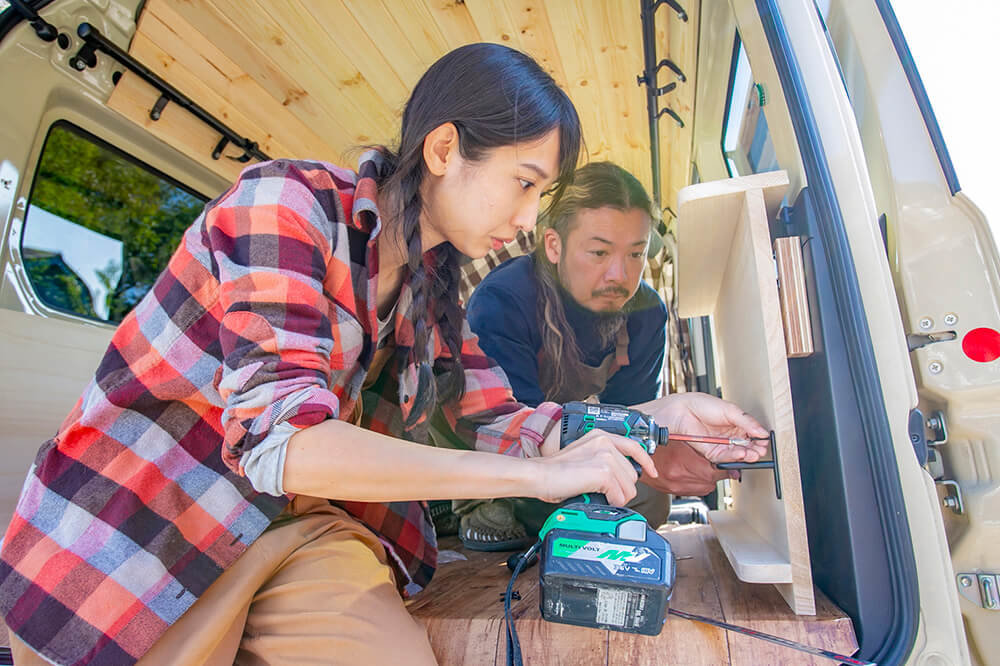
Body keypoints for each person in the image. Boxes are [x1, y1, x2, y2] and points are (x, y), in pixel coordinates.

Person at [0, 44, 767, 666]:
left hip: (298, 530)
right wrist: (538, 475)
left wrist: (651, 422)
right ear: (443, 149)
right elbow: (284, 442)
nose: (532, 221)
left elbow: (498, 418)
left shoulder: (435, 293)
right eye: (524, 184)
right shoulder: (283, 206)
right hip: (151, 533)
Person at [451, 162, 741, 550]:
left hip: (576, 438)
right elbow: (511, 430)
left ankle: (548, 513)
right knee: (531, 487)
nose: (619, 275)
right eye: (599, 253)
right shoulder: (504, 300)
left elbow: (633, 414)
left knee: (652, 500)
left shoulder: (646, 313)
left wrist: (661, 458)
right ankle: (473, 504)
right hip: (506, 439)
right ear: (554, 246)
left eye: (635, 254)